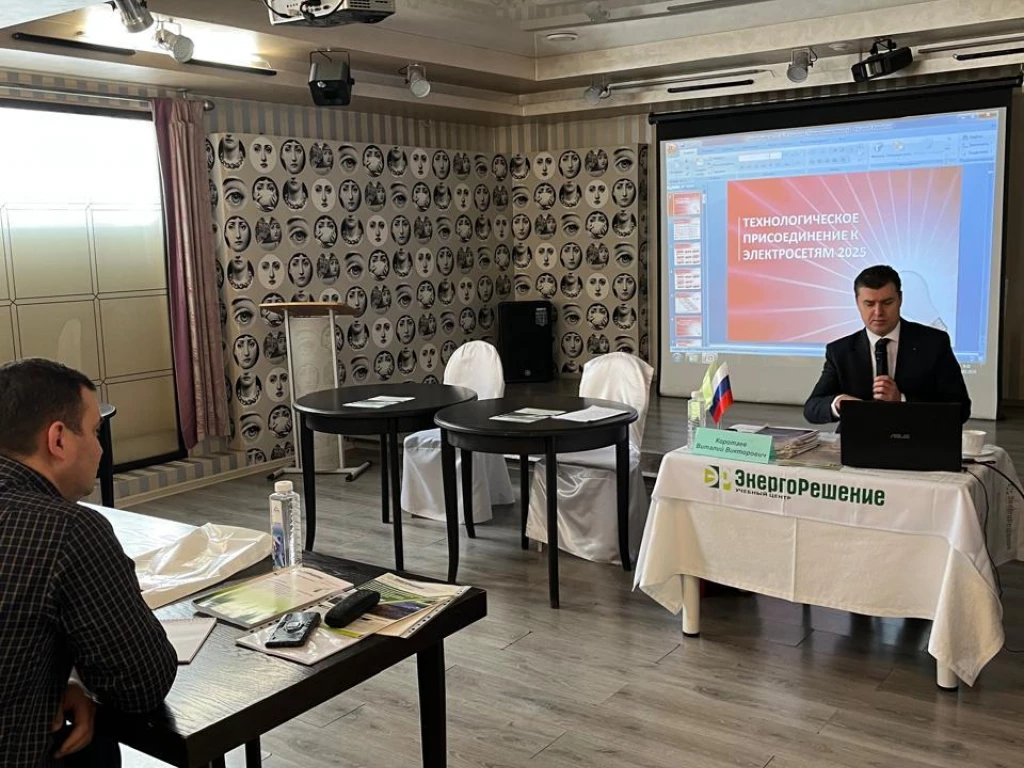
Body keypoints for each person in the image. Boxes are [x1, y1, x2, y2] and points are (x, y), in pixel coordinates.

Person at [0, 359, 177, 768]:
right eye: (95, 431)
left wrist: (61, 682)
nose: (100, 448)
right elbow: (141, 684)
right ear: (58, 440)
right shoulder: (68, 530)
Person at [804, 265, 971, 424]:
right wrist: (838, 403)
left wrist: (902, 400)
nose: (878, 312)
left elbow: (961, 408)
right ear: (857, 303)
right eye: (869, 304)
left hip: (916, 438)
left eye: (887, 303)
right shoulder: (840, 351)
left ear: (900, 299)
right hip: (858, 439)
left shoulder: (934, 343)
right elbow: (812, 407)